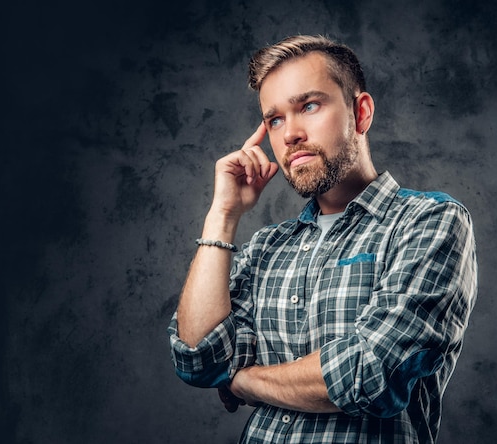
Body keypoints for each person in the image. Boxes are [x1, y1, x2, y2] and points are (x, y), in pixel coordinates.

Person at [168, 34, 477, 443]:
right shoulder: (266, 248)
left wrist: (240, 382)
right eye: (274, 119)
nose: (289, 134)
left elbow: (368, 373)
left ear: (361, 112)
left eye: (308, 106)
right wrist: (222, 217)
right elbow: (198, 359)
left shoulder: (429, 221)